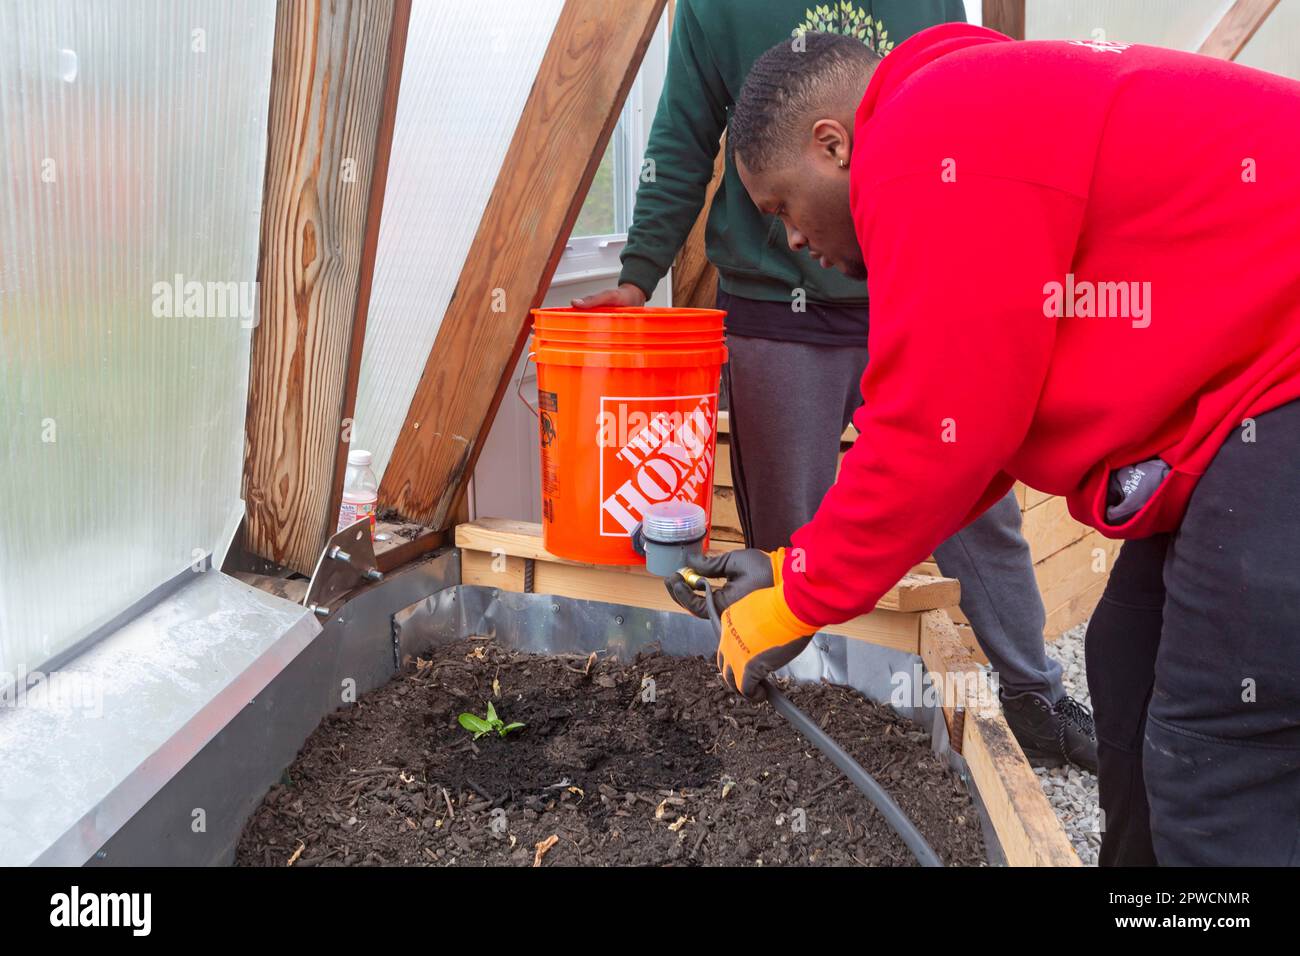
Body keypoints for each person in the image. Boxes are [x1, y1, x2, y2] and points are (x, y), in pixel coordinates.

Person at [680, 23, 1300, 866]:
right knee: (1127, 667)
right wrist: (796, 566)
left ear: (833, 144)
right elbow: (970, 430)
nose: (791, 240)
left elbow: (935, 428)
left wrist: (803, 598)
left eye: (781, 208)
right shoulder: (962, 114)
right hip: (1258, 403)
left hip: (1283, 401)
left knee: (1217, 763)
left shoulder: (927, 137)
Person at [576, 0, 1095, 770]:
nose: (789, 225)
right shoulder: (715, 8)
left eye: (787, 208)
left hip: (905, 282)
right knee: (790, 529)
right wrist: (636, 273)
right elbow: (681, 135)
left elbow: (946, 114)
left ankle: (1033, 698)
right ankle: (809, 717)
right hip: (774, 313)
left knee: (975, 499)